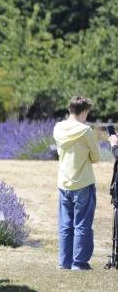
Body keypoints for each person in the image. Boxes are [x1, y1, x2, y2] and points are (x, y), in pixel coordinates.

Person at [54, 96, 102, 271]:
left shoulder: (58, 127)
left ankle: (64, 262)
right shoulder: (85, 131)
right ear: (83, 111)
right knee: (82, 224)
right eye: (87, 113)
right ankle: (79, 263)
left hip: (63, 183)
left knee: (65, 224)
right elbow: (97, 157)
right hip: (83, 182)